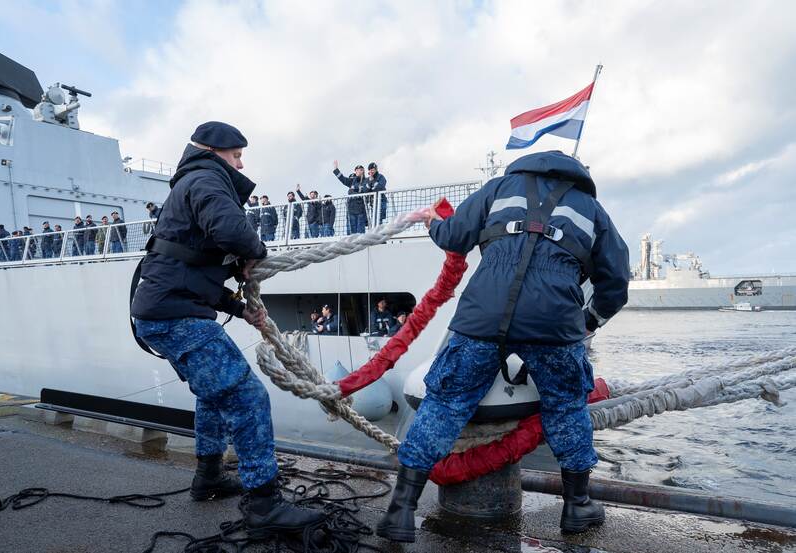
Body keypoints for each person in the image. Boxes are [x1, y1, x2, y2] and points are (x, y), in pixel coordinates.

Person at [376, 150, 630, 542]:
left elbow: (454, 235)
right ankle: (577, 506)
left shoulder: (497, 189)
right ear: (578, 176)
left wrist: (432, 223)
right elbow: (616, 282)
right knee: (566, 405)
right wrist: (587, 321)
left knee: (445, 403)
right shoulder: (592, 210)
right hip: (554, 322)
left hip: (482, 315)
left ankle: (401, 511)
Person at [130, 121, 323, 535]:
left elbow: (193, 270)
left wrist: (238, 307)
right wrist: (256, 254)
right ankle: (265, 505)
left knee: (213, 395)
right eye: (236, 156)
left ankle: (209, 476)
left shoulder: (192, 183)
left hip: (164, 310)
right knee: (248, 397)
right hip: (175, 316)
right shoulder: (206, 179)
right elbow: (231, 231)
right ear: (210, 150)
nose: (240, 164)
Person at [333, 161, 370, 234]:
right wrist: (336, 169)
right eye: (356, 170)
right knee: (351, 233)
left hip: (361, 211)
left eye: (359, 170)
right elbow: (343, 179)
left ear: (362, 171)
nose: (357, 171)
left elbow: (365, 191)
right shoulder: (352, 180)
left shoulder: (366, 180)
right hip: (351, 210)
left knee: (360, 233)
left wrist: (353, 190)